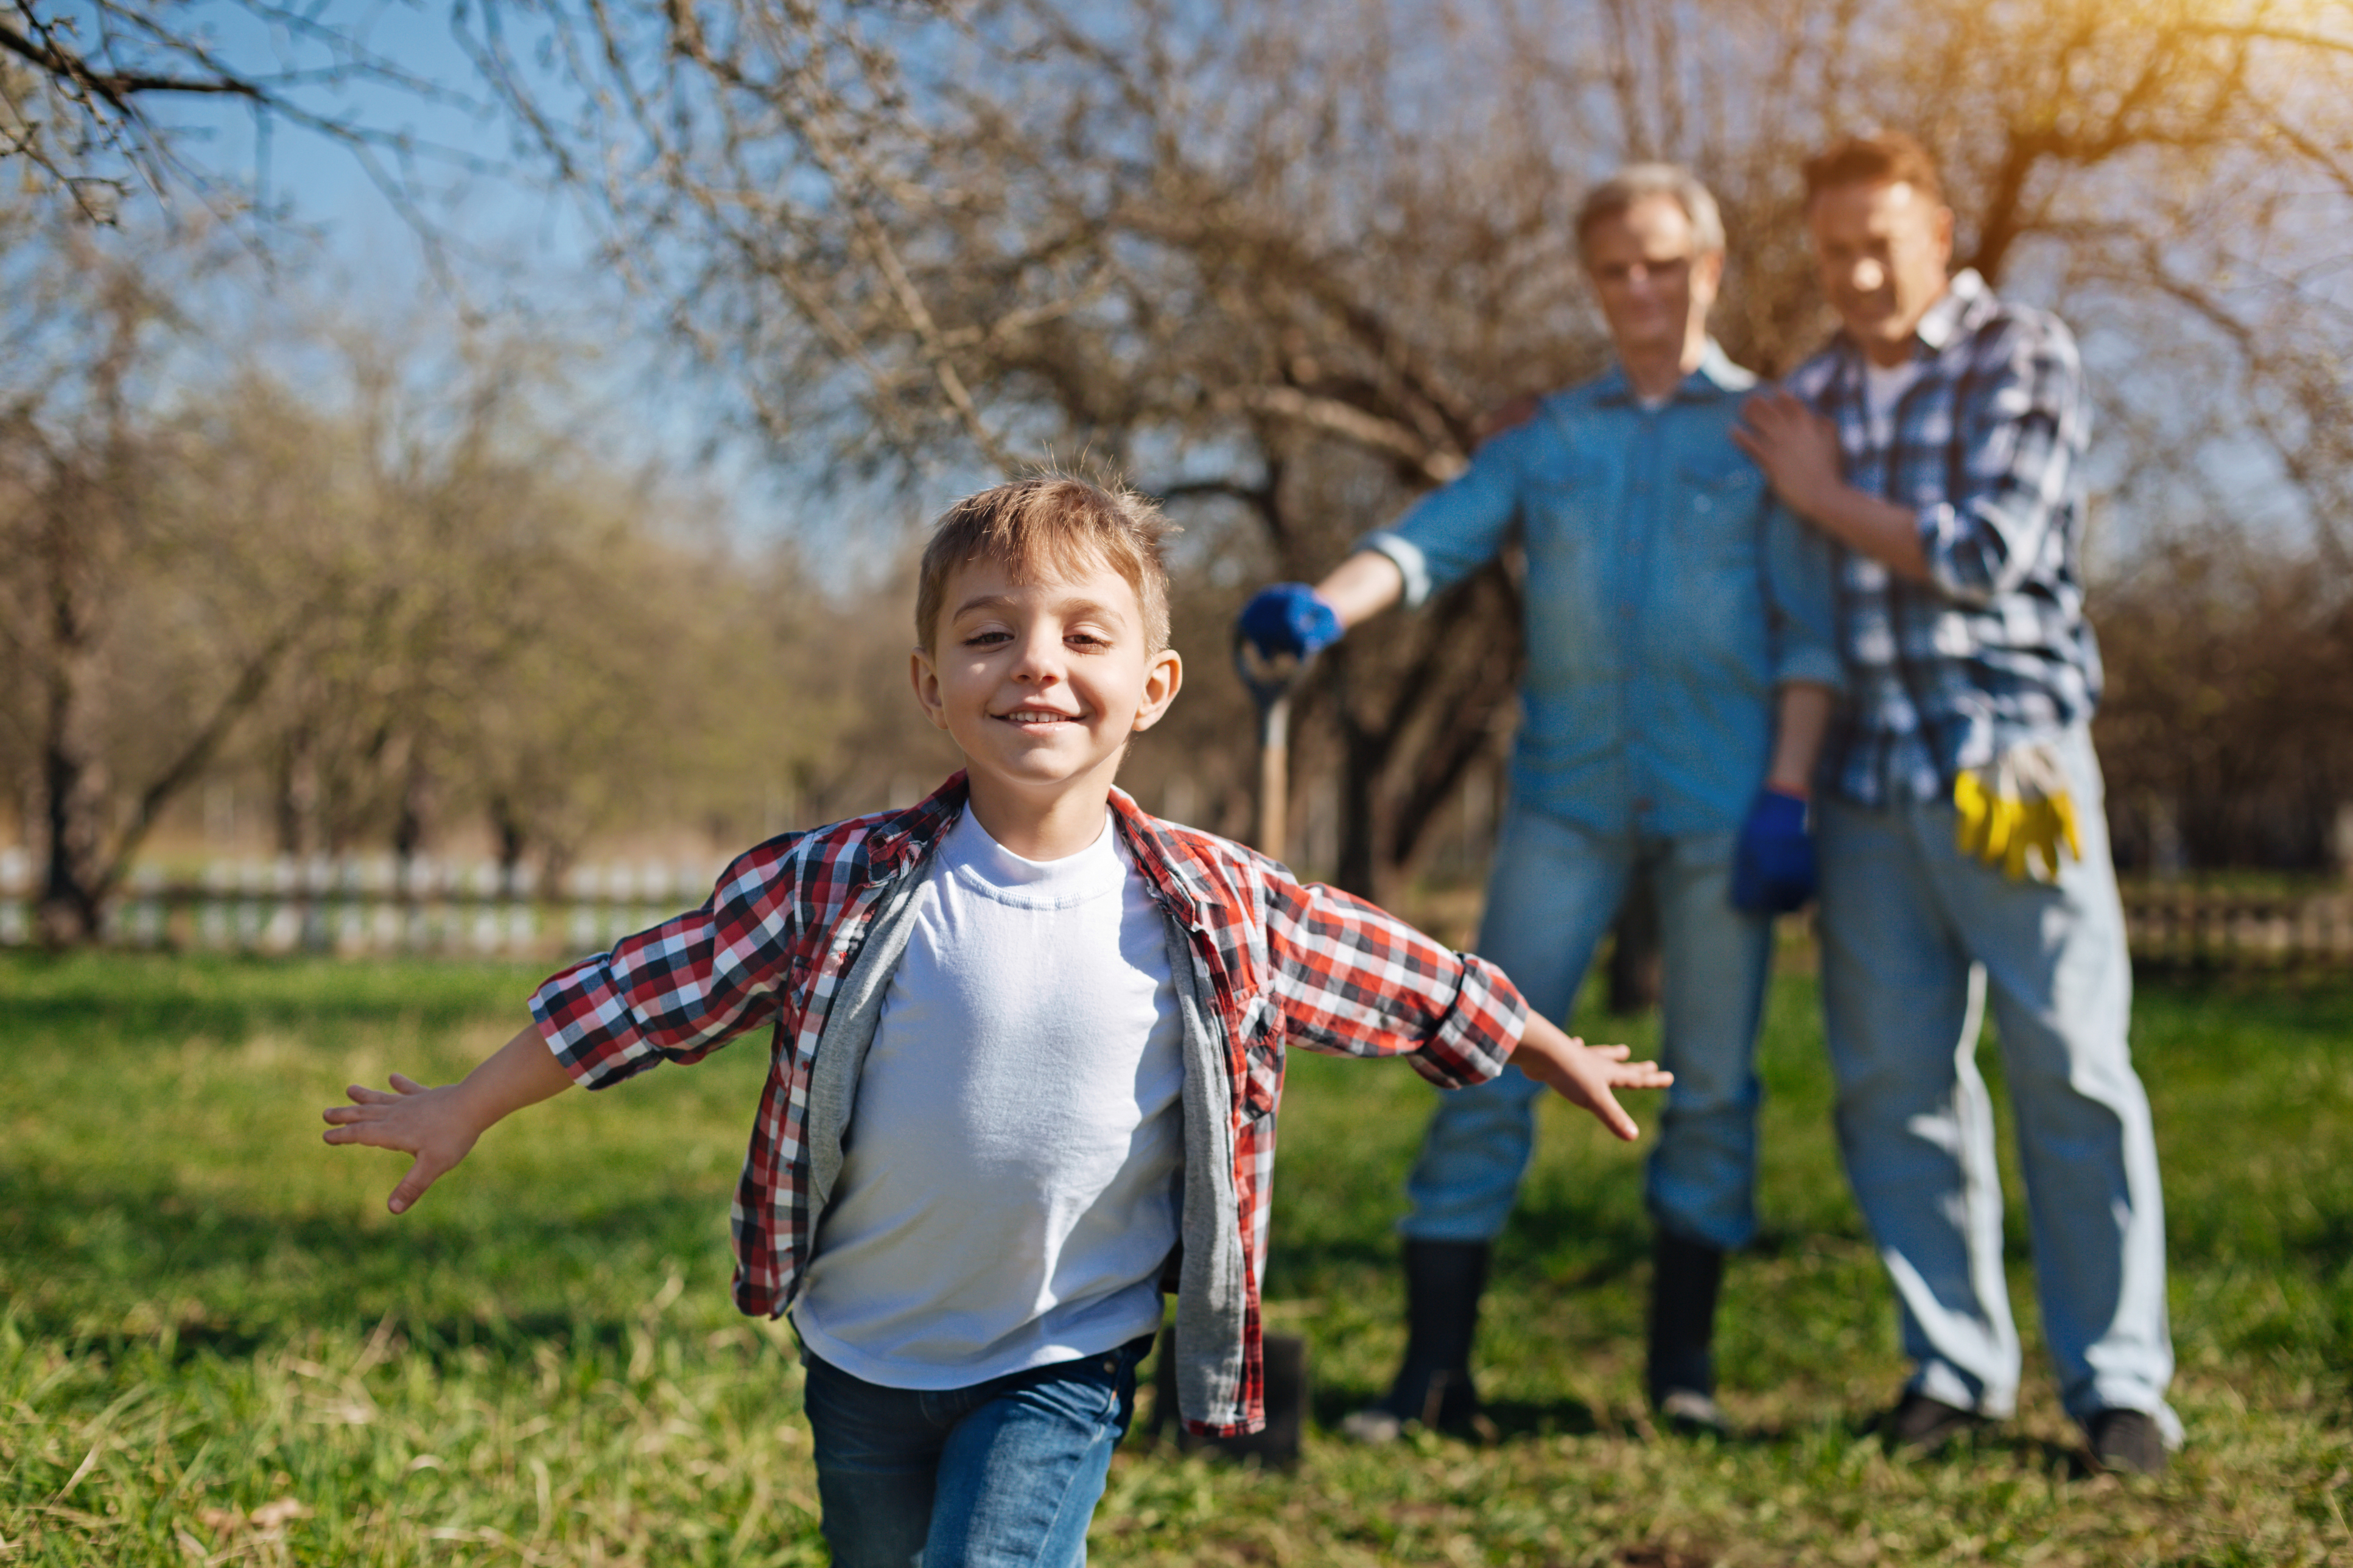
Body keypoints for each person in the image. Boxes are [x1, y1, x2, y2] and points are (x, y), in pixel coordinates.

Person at [321, 477, 1671, 1567]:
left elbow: (1396, 972)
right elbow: (639, 995)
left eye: (1085, 634)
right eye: (989, 633)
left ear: (1152, 686)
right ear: (930, 684)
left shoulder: (1212, 902)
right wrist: (462, 1105)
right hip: (861, 1349)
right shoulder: (834, 884)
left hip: (1060, 1353)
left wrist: (1537, 1040)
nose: (1036, 664)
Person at [1235, 166, 1842, 1441]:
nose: (1641, 289)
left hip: (1723, 805)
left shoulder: (1767, 428)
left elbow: (1807, 631)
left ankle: (1684, 1376)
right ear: (1590, 281)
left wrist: (1788, 794)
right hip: (1566, 799)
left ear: (1710, 268)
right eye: (1616, 268)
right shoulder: (1548, 438)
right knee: (1481, 1047)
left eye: (1664, 264)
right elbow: (1430, 539)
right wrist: (1320, 609)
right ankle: (1430, 1375)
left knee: (1715, 1083)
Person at [1734, 131, 2178, 1475]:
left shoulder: (2017, 352)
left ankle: (2118, 1386)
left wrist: (1822, 494)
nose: (1859, 271)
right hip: (1866, 791)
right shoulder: (1802, 391)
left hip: (2013, 768)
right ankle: (1954, 1367)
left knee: (2070, 1065)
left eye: (1882, 240)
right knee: (1891, 1084)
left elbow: (1986, 552)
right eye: (1833, 251)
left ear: (1937, 231)